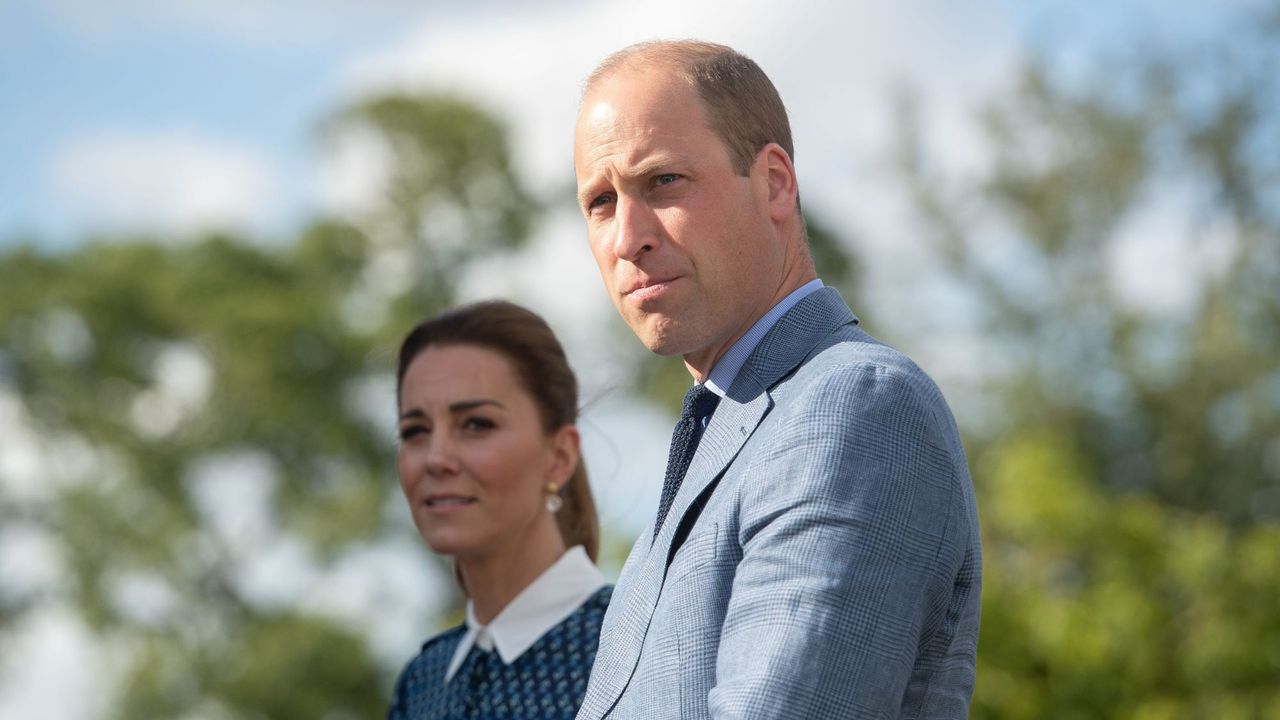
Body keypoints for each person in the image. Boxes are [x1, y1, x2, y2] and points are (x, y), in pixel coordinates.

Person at [572, 40, 981, 719]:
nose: (627, 237)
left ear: (775, 184)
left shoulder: (853, 407)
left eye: (663, 182)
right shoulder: (720, 439)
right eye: (601, 202)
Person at [388, 301, 612, 720]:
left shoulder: (632, 647)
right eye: (414, 431)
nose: (436, 458)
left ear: (560, 457)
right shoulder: (422, 683)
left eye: (477, 424)